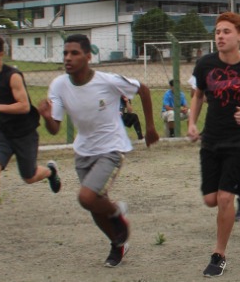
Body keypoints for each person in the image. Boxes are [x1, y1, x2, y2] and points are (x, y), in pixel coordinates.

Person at [38, 35, 158, 268]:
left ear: (88, 56)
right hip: (84, 151)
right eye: (65, 54)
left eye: (74, 53)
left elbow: (143, 89)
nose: (68, 58)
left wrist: (151, 127)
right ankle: (117, 244)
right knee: (93, 205)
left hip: (111, 148)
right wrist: (45, 117)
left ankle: (116, 212)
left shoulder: (108, 81)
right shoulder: (59, 85)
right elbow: (54, 129)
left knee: (87, 197)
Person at [188, 12, 240, 277]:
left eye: (226, 32)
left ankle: (219, 254)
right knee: (210, 200)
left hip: (239, 139)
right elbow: (198, 95)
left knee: (226, 198)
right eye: (217, 32)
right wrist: (192, 123)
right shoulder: (205, 65)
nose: (220, 37)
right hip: (212, 138)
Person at [0, 34, 61, 235]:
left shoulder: (13, 76)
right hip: (4, 132)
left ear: (1, 54)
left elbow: (24, 106)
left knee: (29, 176)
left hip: (25, 132)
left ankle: (51, 171)